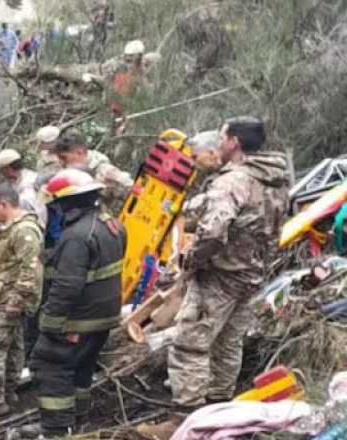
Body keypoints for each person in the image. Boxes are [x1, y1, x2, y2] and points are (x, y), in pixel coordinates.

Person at [137, 117, 289, 440]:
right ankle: (220, 413)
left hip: (220, 277)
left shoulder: (233, 180)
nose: (219, 143)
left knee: (189, 346)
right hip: (252, 277)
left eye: (221, 137)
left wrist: (190, 260)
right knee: (228, 345)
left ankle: (184, 421)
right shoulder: (275, 180)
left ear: (233, 141)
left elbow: (216, 229)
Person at [21, 169, 125, 438]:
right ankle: (77, 423)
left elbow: (68, 285)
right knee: (81, 368)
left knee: (50, 366)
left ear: (65, 203)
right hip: (103, 317)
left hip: (77, 319)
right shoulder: (111, 224)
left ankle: (55, 430)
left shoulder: (77, 235)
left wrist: (50, 323)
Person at [0, 183, 44, 419]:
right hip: (3, 299)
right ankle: (8, 396)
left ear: (3, 204)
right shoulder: (10, 229)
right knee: (12, 349)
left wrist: (17, 300)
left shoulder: (24, 230)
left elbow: (31, 268)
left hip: (9, 301)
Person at [51, 134, 133, 210]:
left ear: (79, 153)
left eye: (64, 157)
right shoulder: (72, 172)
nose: (61, 162)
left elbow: (133, 189)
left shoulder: (105, 171)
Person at [0, 149, 47, 225]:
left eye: (3, 170)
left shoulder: (33, 181)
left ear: (8, 168)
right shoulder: (10, 183)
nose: (3, 174)